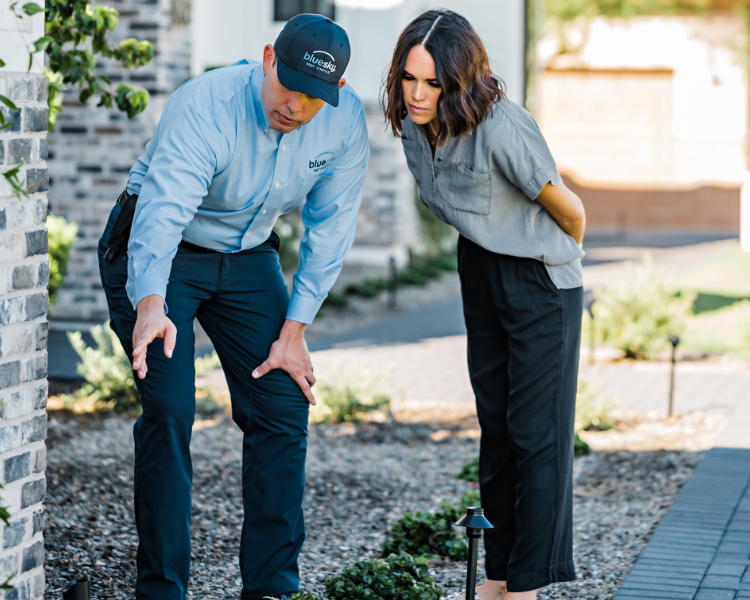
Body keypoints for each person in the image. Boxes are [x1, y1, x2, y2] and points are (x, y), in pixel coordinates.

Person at [97, 14, 369, 600]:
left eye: (313, 97)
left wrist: (295, 330)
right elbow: (162, 213)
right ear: (269, 57)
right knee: (170, 410)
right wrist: (149, 302)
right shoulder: (206, 105)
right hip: (160, 254)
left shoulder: (344, 125)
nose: (295, 105)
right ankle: (162, 589)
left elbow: (331, 229)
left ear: (338, 93)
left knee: (282, 404)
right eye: (288, 83)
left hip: (247, 259)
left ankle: (271, 587)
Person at [382, 10, 585, 600]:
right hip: (480, 268)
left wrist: (552, 255)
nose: (418, 95)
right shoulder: (415, 127)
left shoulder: (503, 128)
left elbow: (569, 210)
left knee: (535, 436)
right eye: (409, 79)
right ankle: (496, 579)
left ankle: (526, 587)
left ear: (460, 82)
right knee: (496, 431)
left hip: (541, 280)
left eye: (433, 84)